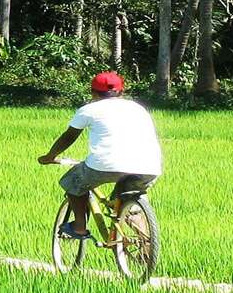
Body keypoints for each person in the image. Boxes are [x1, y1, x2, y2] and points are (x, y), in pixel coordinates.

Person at [38, 71, 162, 240]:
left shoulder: (89, 110)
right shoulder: (138, 108)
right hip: (149, 166)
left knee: (72, 183)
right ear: (121, 91)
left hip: (104, 165)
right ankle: (146, 247)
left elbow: (69, 137)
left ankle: (79, 227)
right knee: (129, 202)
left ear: (93, 92)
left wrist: (50, 156)